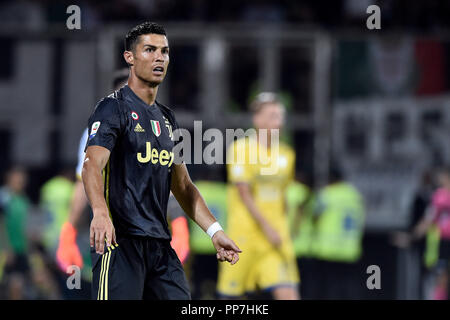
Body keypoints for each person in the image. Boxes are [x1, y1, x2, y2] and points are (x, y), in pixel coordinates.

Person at [82, 22, 241, 300]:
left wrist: (215, 231)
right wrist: (100, 212)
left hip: (160, 247)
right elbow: (91, 165)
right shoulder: (112, 108)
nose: (159, 58)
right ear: (129, 57)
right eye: (150, 50)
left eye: (164, 52)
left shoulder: (168, 119)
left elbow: (183, 185)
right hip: (121, 243)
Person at [56, 68, 191, 274]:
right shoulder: (98, 131)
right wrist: (69, 232)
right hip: (114, 234)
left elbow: (170, 183)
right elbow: (84, 182)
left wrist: (180, 224)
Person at [217, 92, 300, 300]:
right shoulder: (241, 149)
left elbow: (283, 196)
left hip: (275, 239)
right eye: (272, 116)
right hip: (245, 235)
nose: (278, 122)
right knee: (231, 297)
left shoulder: (287, 154)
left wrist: (285, 227)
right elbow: (244, 194)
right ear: (258, 119)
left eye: (280, 117)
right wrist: (267, 226)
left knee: (289, 292)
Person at [309, 165, 365, 299]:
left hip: (328, 249)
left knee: (329, 286)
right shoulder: (354, 195)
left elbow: (315, 216)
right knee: (348, 284)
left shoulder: (327, 194)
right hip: (349, 248)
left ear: (330, 179)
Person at [398, 166, 450, 299]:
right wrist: (412, 236)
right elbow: (428, 220)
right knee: (441, 276)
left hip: (444, 242)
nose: (439, 179)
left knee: (442, 277)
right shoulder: (439, 196)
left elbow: (427, 221)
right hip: (443, 242)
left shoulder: (440, 196)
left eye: (442, 176)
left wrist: (412, 236)